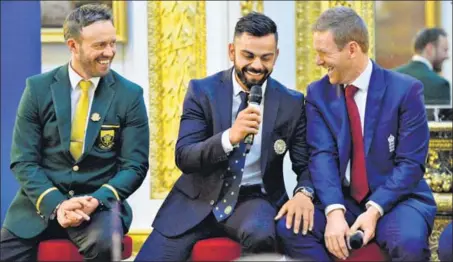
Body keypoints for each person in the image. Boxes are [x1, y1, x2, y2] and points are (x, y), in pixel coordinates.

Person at [136, 12, 315, 261]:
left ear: (276, 55)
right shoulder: (202, 91)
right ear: (232, 51)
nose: (257, 65)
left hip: (253, 199)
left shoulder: (291, 103)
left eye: (266, 57)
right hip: (195, 200)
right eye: (248, 55)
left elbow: (306, 164)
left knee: (262, 236)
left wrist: (304, 193)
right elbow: (185, 157)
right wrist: (229, 137)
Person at [277, 6, 437, 261]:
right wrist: (333, 211)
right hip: (344, 199)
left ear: (352, 49)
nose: (318, 61)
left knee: (409, 244)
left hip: (397, 199)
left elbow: (410, 165)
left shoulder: (406, 91)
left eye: (323, 53)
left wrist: (374, 210)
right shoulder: (318, 94)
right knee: (290, 228)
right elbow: (322, 155)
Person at [0, 4, 149, 262]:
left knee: (105, 246)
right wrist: (57, 204)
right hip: (39, 203)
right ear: (73, 46)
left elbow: (134, 166)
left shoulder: (130, 95)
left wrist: (98, 199)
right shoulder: (37, 89)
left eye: (112, 43)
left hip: (99, 206)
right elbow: (23, 160)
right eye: (100, 45)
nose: (110, 52)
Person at [394, 28, 451, 121]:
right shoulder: (439, 84)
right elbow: (442, 130)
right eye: (445, 50)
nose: (447, 56)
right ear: (430, 49)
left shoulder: (391, 76)